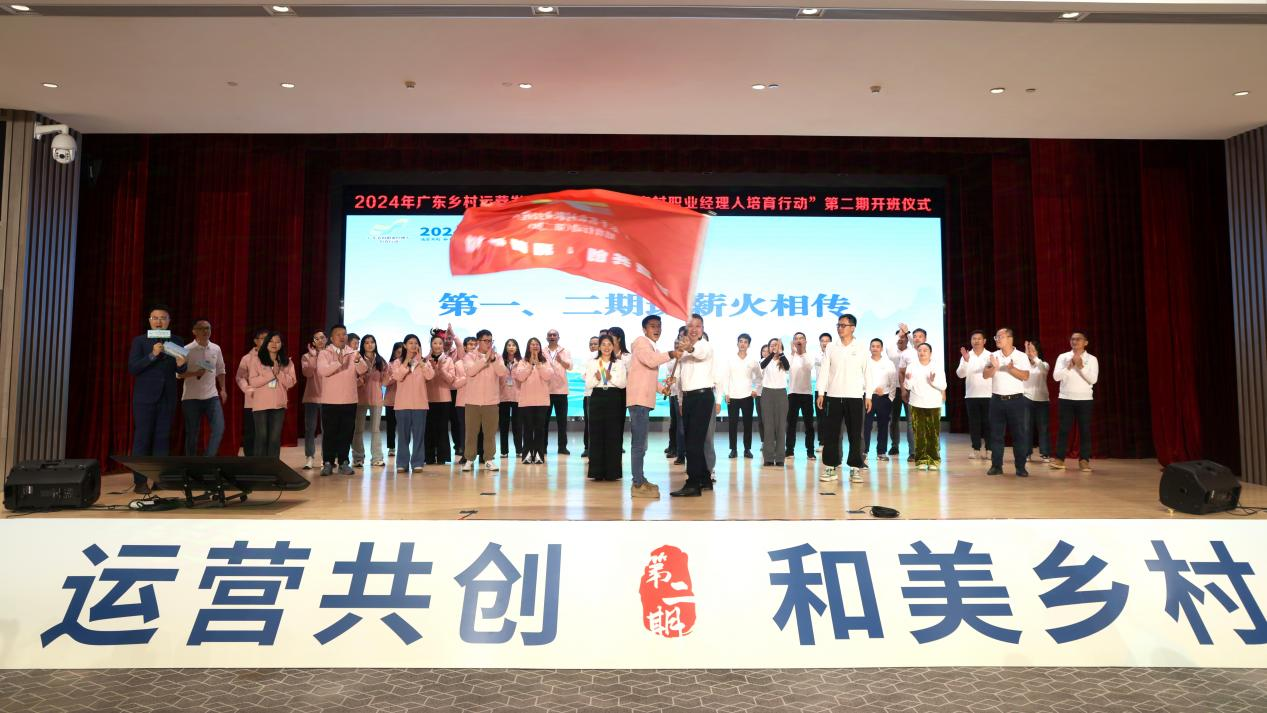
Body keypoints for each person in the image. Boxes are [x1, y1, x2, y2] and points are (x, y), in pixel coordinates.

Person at [128, 304, 188, 493]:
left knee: (162, 439)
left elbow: (181, 370)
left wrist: (182, 365)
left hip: (167, 397)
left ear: (169, 321)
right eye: (155, 318)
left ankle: (159, 480)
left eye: (163, 318)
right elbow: (133, 368)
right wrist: (152, 355)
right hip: (144, 398)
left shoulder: (177, 340)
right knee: (142, 439)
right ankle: (140, 482)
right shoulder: (140, 341)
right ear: (150, 321)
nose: (159, 321)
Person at [817, 314, 870, 484]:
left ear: (852, 328)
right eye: (838, 325)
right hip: (833, 395)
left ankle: (855, 468)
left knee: (856, 433)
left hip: (855, 396)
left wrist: (868, 395)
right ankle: (830, 466)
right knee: (831, 433)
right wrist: (821, 392)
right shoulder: (831, 347)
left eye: (843, 325)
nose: (840, 328)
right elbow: (824, 370)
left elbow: (867, 372)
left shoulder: (861, 347)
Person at [628, 315, 676, 498]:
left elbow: (650, 376)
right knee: (639, 445)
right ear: (644, 329)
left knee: (642, 444)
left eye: (659, 326)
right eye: (652, 326)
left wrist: (664, 389)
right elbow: (651, 360)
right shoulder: (641, 342)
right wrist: (672, 354)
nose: (657, 329)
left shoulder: (652, 348)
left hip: (643, 400)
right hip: (639, 400)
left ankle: (640, 479)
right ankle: (637, 483)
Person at [670, 314, 715, 497]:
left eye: (698, 326)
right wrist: (681, 400)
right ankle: (704, 479)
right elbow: (681, 378)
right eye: (691, 326)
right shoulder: (683, 352)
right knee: (692, 440)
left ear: (702, 329)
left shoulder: (705, 346)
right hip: (688, 398)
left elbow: (699, 353)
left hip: (702, 397)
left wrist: (689, 347)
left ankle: (693, 484)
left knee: (693, 443)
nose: (694, 329)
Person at [317, 324, 368, 476]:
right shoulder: (325, 353)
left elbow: (363, 370)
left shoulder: (352, 353)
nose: (342, 337)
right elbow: (323, 371)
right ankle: (328, 462)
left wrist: (357, 361)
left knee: (346, 433)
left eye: (344, 334)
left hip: (349, 400)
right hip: (330, 401)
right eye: (338, 334)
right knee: (330, 433)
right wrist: (338, 362)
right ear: (331, 338)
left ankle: (344, 462)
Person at [982, 327, 1031, 478]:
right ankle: (996, 466)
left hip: (1016, 400)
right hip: (997, 400)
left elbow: (1025, 376)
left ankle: (1021, 467)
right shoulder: (993, 356)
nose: (997, 340)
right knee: (996, 435)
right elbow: (985, 375)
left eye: (1000, 337)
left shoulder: (1021, 356)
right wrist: (995, 367)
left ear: (1010, 338)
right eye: (996, 337)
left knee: (1019, 435)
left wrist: (1011, 369)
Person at [1050, 331, 1099, 472]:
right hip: (1066, 398)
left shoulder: (1092, 359)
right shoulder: (1063, 357)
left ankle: (1084, 460)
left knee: (1085, 430)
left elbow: (1093, 380)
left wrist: (1081, 366)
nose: (1075, 341)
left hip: (1085, 400)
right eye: (1072, 339)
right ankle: (1059, 459)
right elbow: (1056, 377)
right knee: (1063, 430)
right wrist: (1069, 366)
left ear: (1086, 342)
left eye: (1078, 339)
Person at [461, 329, 509, 472]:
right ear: (478, 342)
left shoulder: (497, 357)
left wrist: (492, 360)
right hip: (472, 401)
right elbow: (470, 371)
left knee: (490, 433)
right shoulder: (470, 356)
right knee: (471, 433)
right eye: (486, 341)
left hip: (491, 401)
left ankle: (489, 459)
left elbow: (502, 372)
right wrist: (484, 359)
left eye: (490, 341)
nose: (488, 343)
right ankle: (469, 460)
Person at [179, 318, 227, 457]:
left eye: (208, 328)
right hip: (191, 398)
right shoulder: (186, 349)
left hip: (212, 396)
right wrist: (195, 373)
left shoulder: (216, 348)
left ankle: (207, 460)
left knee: (219, 428)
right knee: (192, 433)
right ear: (194, 331)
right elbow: (178, 374)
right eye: (201, 328)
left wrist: (223, 389)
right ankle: (191, 463)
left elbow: (220, 370)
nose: (205, 331)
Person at [585, 334, 628, 481]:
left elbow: (622, 384)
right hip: (597, 397)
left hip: (613, 398)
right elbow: (588, 384)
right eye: (603, 344)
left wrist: (611, 378)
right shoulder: (593, 363)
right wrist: (596, 378)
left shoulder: (619, 363)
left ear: (613, 346)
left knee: (613, 434)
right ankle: (596, 472)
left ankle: (612, 472)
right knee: (596, 434)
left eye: (609, 344)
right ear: (599, 347)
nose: (606, 347)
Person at [390, 333, 435, 473]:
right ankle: (402, 463)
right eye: (410, 343)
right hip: (402, 404)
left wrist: (421, 362)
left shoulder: (424, 362)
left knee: (419, 435)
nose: (413, 345)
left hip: (420, 404)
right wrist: (406, 362)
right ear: (404, 345)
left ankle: (417, 462)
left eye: (416, 343)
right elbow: (397, 376)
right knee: (403, 436)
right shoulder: (397, 362)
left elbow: (430, 376)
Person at [247, 331, 296, 457]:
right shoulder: (256, 360)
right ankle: (259, 466)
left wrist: (279, 373)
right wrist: (271, 374)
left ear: (281, 344)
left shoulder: (287, 362)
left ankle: (273, 465)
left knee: (275, 438)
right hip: (260, 405)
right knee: (261, 437)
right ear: (266, 343)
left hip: (278, 404)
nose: (274, 344)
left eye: (277, 341)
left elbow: (291, 382)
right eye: (271, 341)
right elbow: (253, 381)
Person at [903, 342, 947, 470]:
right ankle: (921, 460)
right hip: (916, 403)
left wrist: (933, 382)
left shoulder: (937, 366)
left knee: (933, 433)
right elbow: (907, 386)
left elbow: (943, 385)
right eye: (920, 350)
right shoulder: (912, 366)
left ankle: (933, 460)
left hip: (933, 404)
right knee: (919, 433)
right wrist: (908, 380)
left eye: (925, 350)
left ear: (930, 353)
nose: (922, 352)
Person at [514, 337, 555, 464]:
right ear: (528, 347)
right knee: (527, 429)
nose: (534, 346)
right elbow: (520, 377)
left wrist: (538, 364)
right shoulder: (522, 361)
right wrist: (530, 365)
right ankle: (527, 454)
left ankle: (538, 455)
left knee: (539, 429)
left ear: (540, 347)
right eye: (532, 344)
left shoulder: (545, 361)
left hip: (542, 401)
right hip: (526, 401)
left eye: (537, 344)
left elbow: (548, 375)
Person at [955, 329, 993, 460]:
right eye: (974, 339)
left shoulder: (990, 355)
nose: (976, 341)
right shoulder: (967, 355)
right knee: (974, 424)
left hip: (988, 395)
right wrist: (966, 361)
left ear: (984, 341)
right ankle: (976, 449)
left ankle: (989, 450)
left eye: (979, 339)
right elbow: (960, 374)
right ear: (971, 341)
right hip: (971, 395)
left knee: (988, 424)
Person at [352, 334, 388, 468]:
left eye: (372, 342)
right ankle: (358, 458)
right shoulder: (357, 359)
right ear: (363, 345)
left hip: (376, 399)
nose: (370, 344)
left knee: (375, 429)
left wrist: (388, 376)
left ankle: (377, 458)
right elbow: (352, 380)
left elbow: (385, 381)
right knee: (358, 429)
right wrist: (359, 381)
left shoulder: (381, 361)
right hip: (360, 398)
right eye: (366, 342)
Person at [423, 335, 458, 465]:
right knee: (428, 429)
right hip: (428, 398)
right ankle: (429, 456)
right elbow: (423, 379)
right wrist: (430, 368)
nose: (437, 346)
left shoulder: (448, 360)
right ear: (431, 344)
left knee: (442, 429)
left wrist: (440, 369)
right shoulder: (425, 360)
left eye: (440, 343)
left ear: (443, 345)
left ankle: (442, 457)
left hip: (444, 399)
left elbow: (451, 380)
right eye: (435, 343)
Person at [723, 334, 760, 459]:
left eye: (745, 342)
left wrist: (755, 389)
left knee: (747, 424)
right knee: (732, 424)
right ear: (737, 343)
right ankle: (733, 449)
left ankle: (747, 449)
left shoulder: (753, 360)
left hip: (747, 396)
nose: (743, 344)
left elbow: (759, 377)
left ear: (748, 345)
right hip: (733, 396)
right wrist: (726, 393)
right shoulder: (730, 359)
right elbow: (726, 377)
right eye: (741, 341)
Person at [235, 327, 269, 457]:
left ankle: (265, 460)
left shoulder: (275, 357)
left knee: (267, 433)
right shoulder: (247, 358)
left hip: (270, 401)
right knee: (251, 432)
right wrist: (248, 389)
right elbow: (240, 377)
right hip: (252, 401)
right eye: (263, 338)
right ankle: (250, 460)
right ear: (256, 341)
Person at [863, 338, 898, 463]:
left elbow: (893, 381)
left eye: (878, 346)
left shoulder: (888, 363)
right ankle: (864, 451)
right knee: (866, 425)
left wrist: (891, 398)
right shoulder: (865, 362)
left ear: (882, 348)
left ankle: (881, 452)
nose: (875, 348)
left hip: (884, 398)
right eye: (873, 346)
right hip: (868, 397)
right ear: (870, 348)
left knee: (883, 426)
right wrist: (872, 389)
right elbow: (861, 379)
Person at [760, 338, 790, 467]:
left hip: (781, 393)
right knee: (768, 427)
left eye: (776, 345)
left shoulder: (783, 360)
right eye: (771, 345)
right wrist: (772, 353)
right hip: (767, 393)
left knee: (781, 426)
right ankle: (768, 457)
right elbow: (762, 365)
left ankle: (780, 458)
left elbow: (787, 367)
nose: (774, 347)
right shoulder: (764, 360)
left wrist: (780, 353)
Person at [786, 332, 816, 461]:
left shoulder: (809, 355)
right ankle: (789, 450)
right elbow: (786, 369)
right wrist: (792, 353)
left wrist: (802, 351)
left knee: (809, 425)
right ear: (793, 342)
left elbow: (808, 367)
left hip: (807, 394)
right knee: (791, 424)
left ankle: (810, 451)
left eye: (801, 338)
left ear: (805, 341)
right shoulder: (790, 356)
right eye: (796, 339)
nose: (798, 341)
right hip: (792, 394)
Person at [300, 330, 327, 470]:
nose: (320, 340)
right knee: (310, 428)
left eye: (322, 338)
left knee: (326, 429)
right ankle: (309, 457)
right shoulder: (306, 356)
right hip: (311, 396)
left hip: (328, 397)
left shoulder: (330, 355)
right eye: (316, 338)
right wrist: (314, 356)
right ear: (313, 342)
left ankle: (325, 457)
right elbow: (307, 373)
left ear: (326, 339)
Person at [544, 329, 574, 455]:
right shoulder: (542, 351)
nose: (552, 337)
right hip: (545, 391)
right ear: (547, 338)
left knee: (562, 422)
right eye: (550, 335)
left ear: (558, 337)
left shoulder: (565, 351)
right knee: (544, 421)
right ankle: (543, 447)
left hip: (561, 391)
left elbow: (570, 367)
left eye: (554, 335)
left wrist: (561, 361)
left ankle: (562, 447)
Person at [1023, 339, 1051, 463]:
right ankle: (1027, 453)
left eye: (1033, 350)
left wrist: (1033, 357)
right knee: (1026, 427)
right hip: (1026, 398)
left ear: (1038, 352)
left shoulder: (1044, 364)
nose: (1031, 353)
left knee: (1043, 428)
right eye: (1029, 350)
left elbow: (1043, 369)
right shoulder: (1025, 366)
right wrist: (1026, 355)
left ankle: (1045, 453)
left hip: (1042, 400)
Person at [885, 330, 910, 457]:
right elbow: (889, 344)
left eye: (903, 337)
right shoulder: (892, 352)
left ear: (908, 339)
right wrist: (899, 334)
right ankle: (895, 445)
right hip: (894, 389)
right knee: (894, 419)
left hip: (908, 389)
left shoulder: (912, 352)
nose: (900, 339)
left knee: (911, 419)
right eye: (899, 337)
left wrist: (907, 333)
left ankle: (913, 449)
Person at [499, 338, 524, 460]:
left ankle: (519, 450)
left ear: (517, 348)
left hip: (517, 396)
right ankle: (504, 451)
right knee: (503, 425)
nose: (511, 347)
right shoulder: (500, 361)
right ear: (505, 347)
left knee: (517, 425)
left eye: (513, 345)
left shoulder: (521, 362)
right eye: (509, 345)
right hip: (502, 397)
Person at [384, 341, 403, 458]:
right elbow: (385, 382)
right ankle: (391, 447)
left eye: (402, 352)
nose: (400, 355)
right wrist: (396, 375)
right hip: (391, 400)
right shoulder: (389, 365)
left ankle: (403, 447)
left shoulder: (408, 365)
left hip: (404, 401)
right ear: (394, 352)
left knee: (403, 426)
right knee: (391, 425)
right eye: (398, 352)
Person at [581, 334, 600, 458]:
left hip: (601, 394)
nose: (593, 346)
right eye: (591, 344)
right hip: (588, 395)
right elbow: (584, 376)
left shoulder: (604, 359)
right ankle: (587, 448)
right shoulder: (586, 359)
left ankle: (599, 448)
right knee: (588, 423)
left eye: (595, 344)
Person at [813, 332, 832, 450]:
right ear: (820, 343)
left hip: (832, 391)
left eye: (827, 341)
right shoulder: (816, 356)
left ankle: (831, 443)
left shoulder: (834, 355)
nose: (825, 343)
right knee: (820, 418)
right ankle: (822, 443)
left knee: (831, 418)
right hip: (819, 390)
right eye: (822, 341)